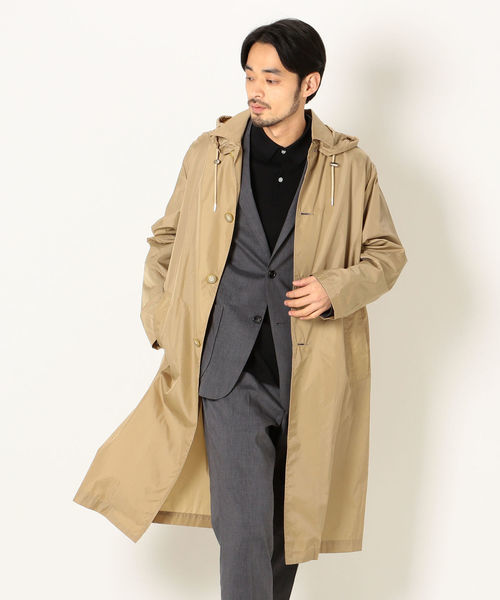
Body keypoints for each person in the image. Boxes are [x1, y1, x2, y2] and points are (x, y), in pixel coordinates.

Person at [73, 17, 407, 600]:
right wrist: (163, 322)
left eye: (272, 79)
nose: (256, 90)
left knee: (286, 533)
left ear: (309, 84)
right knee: (246, 531)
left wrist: (336, 289)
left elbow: (387, 253)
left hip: (310, 369)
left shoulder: (350, 167)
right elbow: (165, 241)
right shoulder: (210, 154)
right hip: (227, 370)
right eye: (250, 76)